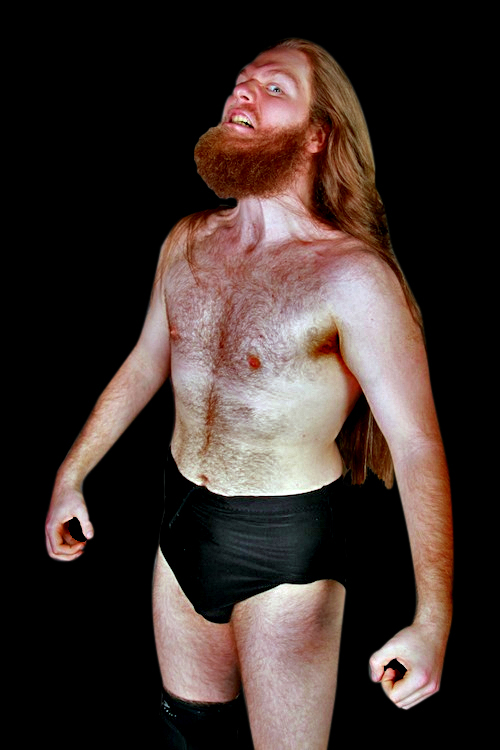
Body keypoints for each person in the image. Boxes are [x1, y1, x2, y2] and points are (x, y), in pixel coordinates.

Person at [45, 38, 453, 749]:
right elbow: (146, 361)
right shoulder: (187, 242)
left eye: (274, 88)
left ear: (318, 135)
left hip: (284, 552)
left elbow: (417, 445)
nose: (244, 92)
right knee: (189, 736)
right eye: (241, 81)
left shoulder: (353, 278)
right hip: (180, 524)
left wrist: (433, 622)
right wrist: (70, 475)